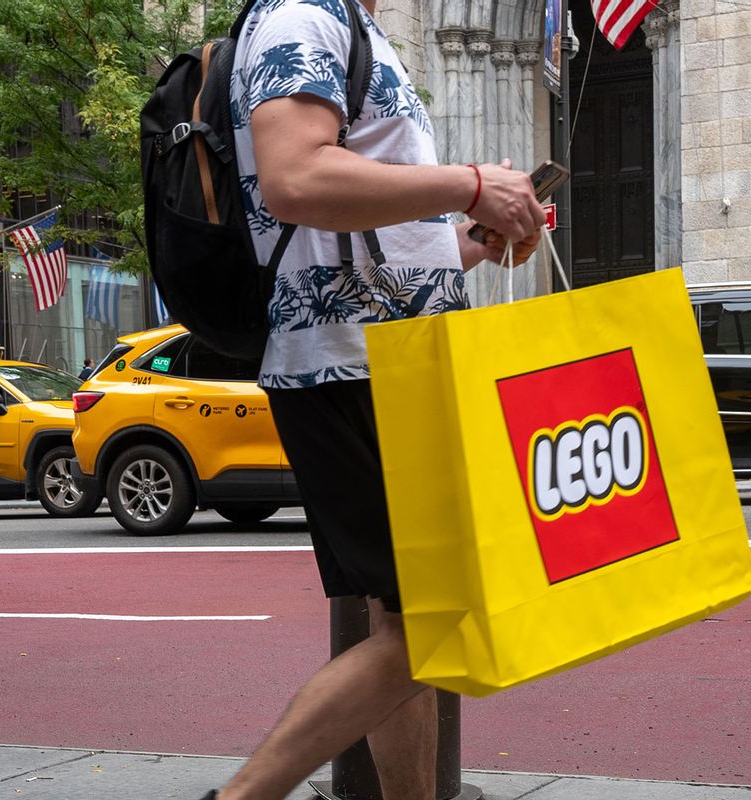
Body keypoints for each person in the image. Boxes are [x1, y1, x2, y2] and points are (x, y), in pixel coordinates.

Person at [198, 2, 545, 799]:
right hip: (357, 364)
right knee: (440, 621)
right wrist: (469, 185)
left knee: (406, 623)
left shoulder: (350, 28)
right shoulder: (300, 17)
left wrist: (467, 241)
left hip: (380, 352)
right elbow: (296, 180)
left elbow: (363, 230)